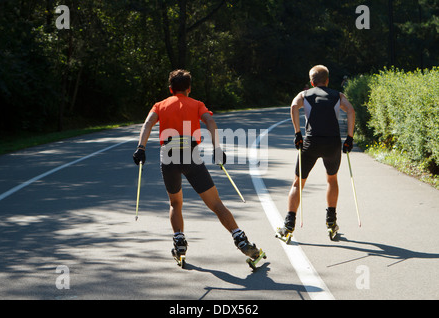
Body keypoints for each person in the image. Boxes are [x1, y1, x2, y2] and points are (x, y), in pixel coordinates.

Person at [133, 69, 262, 263]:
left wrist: (141, 148)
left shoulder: (160, 105)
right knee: (216, 204)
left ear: (170, 89)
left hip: (168, 155)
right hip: (190, 154)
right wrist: (217, 148)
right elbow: (209, 120)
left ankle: (180, 242)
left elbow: (148, 123)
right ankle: (240, 239)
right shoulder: (197, 104)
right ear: (189, 89)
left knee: (175, 203)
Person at [277, 65, 355, 238]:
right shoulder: (337, 95)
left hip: (311, 142)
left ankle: (289, 223)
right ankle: (331, 221)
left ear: (312, 82)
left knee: (298, 183)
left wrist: (298, 133)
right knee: (332, 179)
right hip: (332, 143)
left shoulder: (304, 94)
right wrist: (349, 138)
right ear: (327, 81)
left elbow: (293, 107)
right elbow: (350, 110)